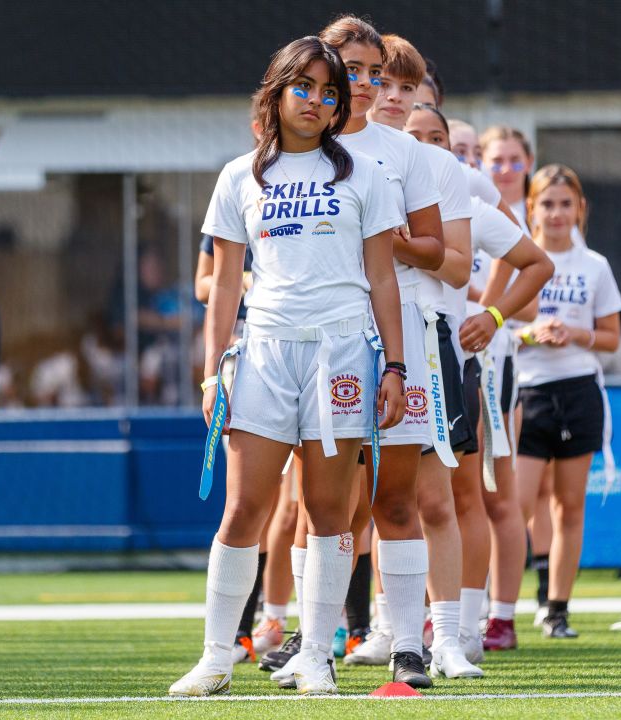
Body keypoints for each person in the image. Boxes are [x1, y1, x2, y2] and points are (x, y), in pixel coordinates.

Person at [168, 34, 406, 697]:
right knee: (244, 507)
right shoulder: (238, 175)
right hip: (265, 352)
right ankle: (218, 655)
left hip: (342, 353)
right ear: (273, 94)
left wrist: (395, 368)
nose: (317, 100)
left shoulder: (362, 175)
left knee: (331, 511)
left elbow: (383, 280)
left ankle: (316, 657)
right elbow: (221, 286)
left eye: (330, 92)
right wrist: (213, 371)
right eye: (304, 86)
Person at [305, 16, 444, 691]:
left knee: (396, 497)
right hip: (323, 338)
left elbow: (438, 249)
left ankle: (410, 647)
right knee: (324, 503)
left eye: (372, 74)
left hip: (400, 332)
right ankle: (315, 646)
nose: (362, 85)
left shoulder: (405, 151)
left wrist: (378, 240)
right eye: (349, 72)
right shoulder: (296, 150)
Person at [353, 33, 483, 681]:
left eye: (407, 86)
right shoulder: (329, 151)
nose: (394, 97)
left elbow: (455, 265)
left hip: (422, 336)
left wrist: (395, 245)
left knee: (430, 496)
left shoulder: (434, 164)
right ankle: (375, 627)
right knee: (345, 500)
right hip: (344, 332)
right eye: (386, 83)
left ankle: (447, 637)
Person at [405, 102, 553, 658]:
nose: (424, 145)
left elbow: (536, 263)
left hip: (446, 368)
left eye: (436, 137)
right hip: (376, 364)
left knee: (462, 498)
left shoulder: (465, 205)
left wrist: (490, 316)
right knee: (374, 504)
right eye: (413, 135)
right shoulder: (367, 194)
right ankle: (375, 629)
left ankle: (465, 630)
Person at [513, 164, 621, 640]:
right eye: (546, 203)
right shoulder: (515, 259)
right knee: (513, 505)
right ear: (530, 208)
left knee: (569, 506)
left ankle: (557, 609)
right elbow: (492, 323)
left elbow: (612, 339)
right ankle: (494, 609)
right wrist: (529, 332)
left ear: (580, 209)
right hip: (526, 391)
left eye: (565, 203)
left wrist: (573, 333)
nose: (556, 213)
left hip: (579, 389)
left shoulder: (595, 265)